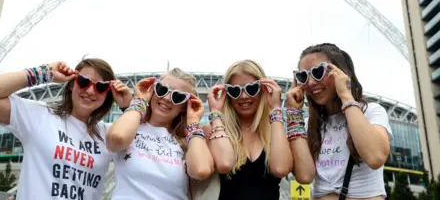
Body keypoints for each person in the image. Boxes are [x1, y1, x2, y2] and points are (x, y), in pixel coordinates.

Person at [0, 58, 132, 200]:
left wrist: (128, 107)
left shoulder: (111, 134)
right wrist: (45, 71)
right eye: (84, 82)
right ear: (71, 84)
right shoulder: (40, 116)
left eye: (101, 87)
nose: (90, 91)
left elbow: (150, 142)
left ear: (107, 94)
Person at [294, 43, 392, 200]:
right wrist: (295, 114)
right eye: (303, 76)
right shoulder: (306, 124)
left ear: (341, 72)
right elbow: (305, 176)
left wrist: (346, 95)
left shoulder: (371, 111)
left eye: (318, 72)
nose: (311, 82)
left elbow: (376, 157)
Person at [106, 68, 214, 200]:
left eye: (178, 97)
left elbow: (200, 170)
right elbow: (117, 139)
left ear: (184, 106)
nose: (167, 98)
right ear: (153, 91)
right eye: (162, 89)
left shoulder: (187, 142)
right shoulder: (130, 128)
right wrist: (139, 100)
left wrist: (193, 121)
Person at [205, 59, 294, 200]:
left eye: (251, 89)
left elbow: (281, 169)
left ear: (263, 90)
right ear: (227, 94)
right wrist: (215, 112)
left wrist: (276, 108)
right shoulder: (214, 129)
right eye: (235, 91)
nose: (244, 96)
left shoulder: (276, 130)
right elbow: (224, 164)